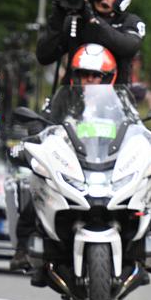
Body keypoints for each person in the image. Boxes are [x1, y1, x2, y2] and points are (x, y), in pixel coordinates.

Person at [9, 43, 117, 272]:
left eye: (96, 76)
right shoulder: (63, 100)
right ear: (74, 75)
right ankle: (23, 249)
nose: (90, 80)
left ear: (107, 78)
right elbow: (44, 125)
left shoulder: (117, 105)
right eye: (84, 74)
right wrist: (37, 129)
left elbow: (132, 130)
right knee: (37, 188)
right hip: (69, 164)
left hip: (105, 167)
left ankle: (144, 246)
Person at [37, 0, 145, 86]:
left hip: (115, 101)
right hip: (72, 100)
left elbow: (127, 47)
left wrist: (91, 19)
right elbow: (44, 56)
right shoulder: (75, 21)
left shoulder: (130, 22)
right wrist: (58, 14)